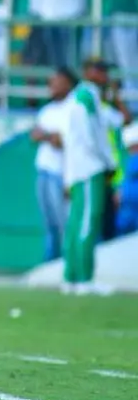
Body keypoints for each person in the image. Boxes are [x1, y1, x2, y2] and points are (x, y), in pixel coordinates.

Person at [59, 59, 119, 296]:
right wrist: (109, 162)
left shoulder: (80, 96)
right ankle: (84, 279)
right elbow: (93, 135)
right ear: (89, 73)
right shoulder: (87, 95)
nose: (105, 76)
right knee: (87, 222)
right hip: (89, 168)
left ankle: (71, 277)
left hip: (78, 170)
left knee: (76, 223)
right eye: (101, 71)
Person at [30, 67, 77, 262]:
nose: (52, 85)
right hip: (44, 171)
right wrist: (49, 136)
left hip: (61, 173)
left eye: (57, 81)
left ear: (68, 83)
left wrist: (46, 135)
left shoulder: (73, 108)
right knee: (49, 224)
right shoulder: (48, 109)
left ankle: (67, 264)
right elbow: (34, 135)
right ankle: (50, 264)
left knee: (63, 223)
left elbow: (62, 141)